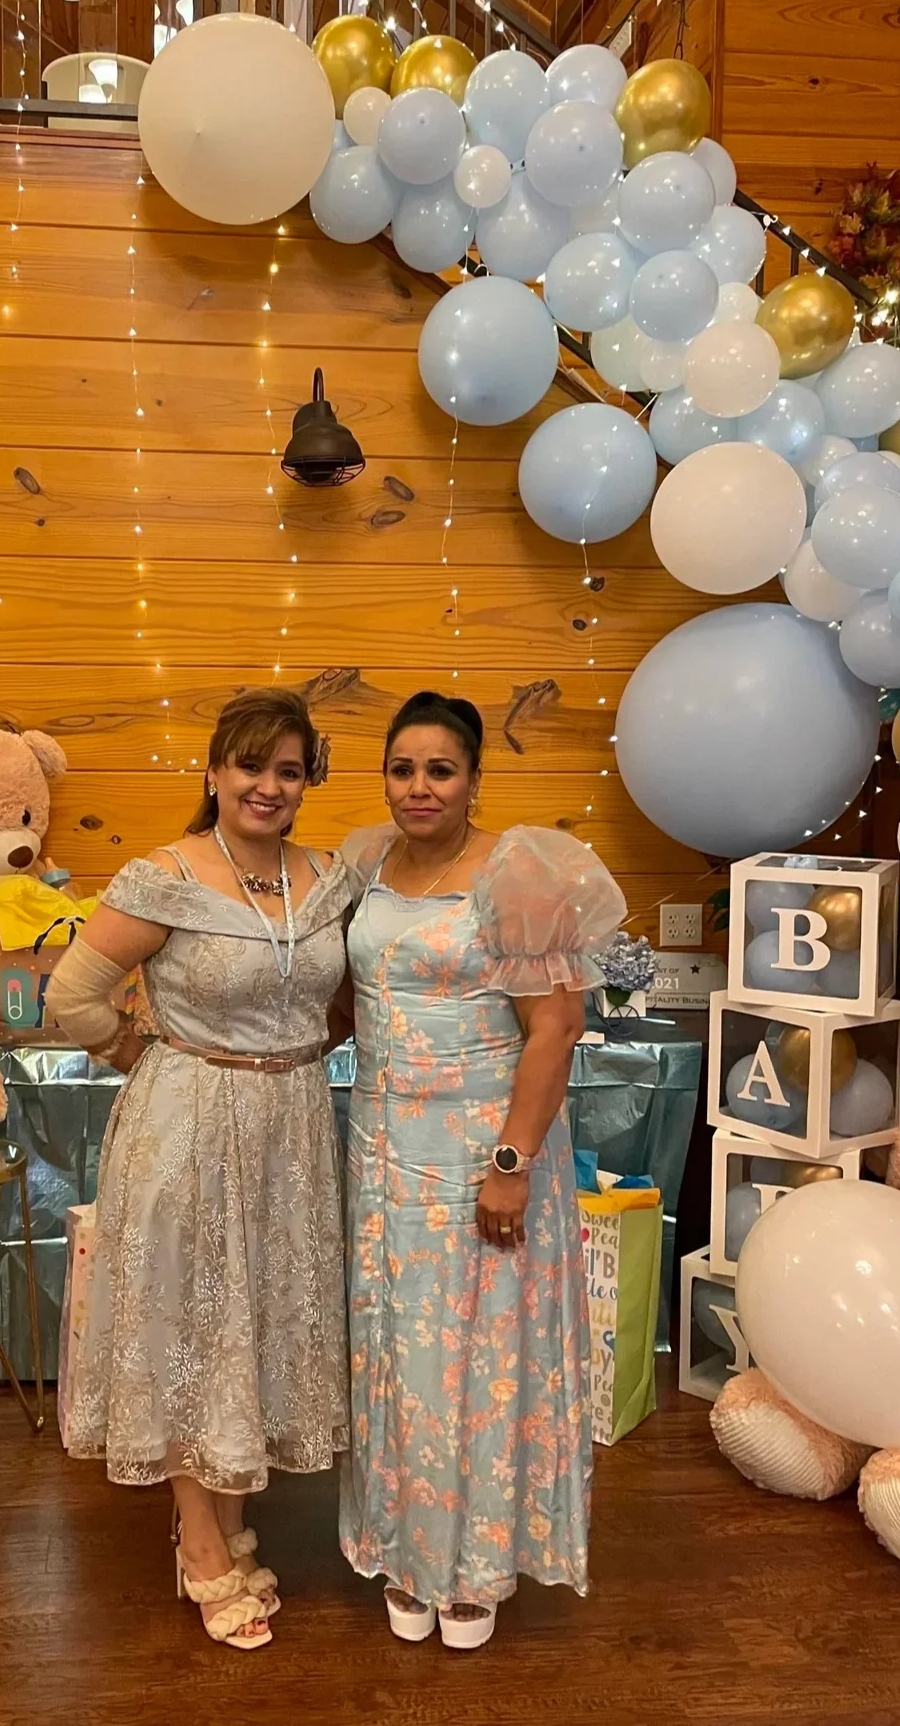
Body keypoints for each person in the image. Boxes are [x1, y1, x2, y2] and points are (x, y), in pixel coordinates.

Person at [47, 688, 352, 1652]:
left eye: (289, 770)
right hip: (187, 1121)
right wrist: (144, 1051)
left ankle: (211, 1512)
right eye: (251, 765)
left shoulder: (328, 877)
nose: (269, 785)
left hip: (294, 1126)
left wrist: (308, 1048)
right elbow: (74, 993)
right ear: (214, 771)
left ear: (308, 781)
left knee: (253, 1314)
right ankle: (203, 1547)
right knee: (187, 1318)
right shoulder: (166, 877)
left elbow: (339, 997)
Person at [338, 690, 626, 1650]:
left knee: (479, 1358)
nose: (419, 788)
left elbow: (558, 1025)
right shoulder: (361, 859)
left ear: (472, 779)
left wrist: (512, 1160)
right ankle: (402, 1545)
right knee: (395, 1355)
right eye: (403, 768)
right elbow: (346, 996)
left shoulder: (518, 871)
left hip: (483, 1149)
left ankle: (473, 1567)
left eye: (440, 769)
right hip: (379, 1148)